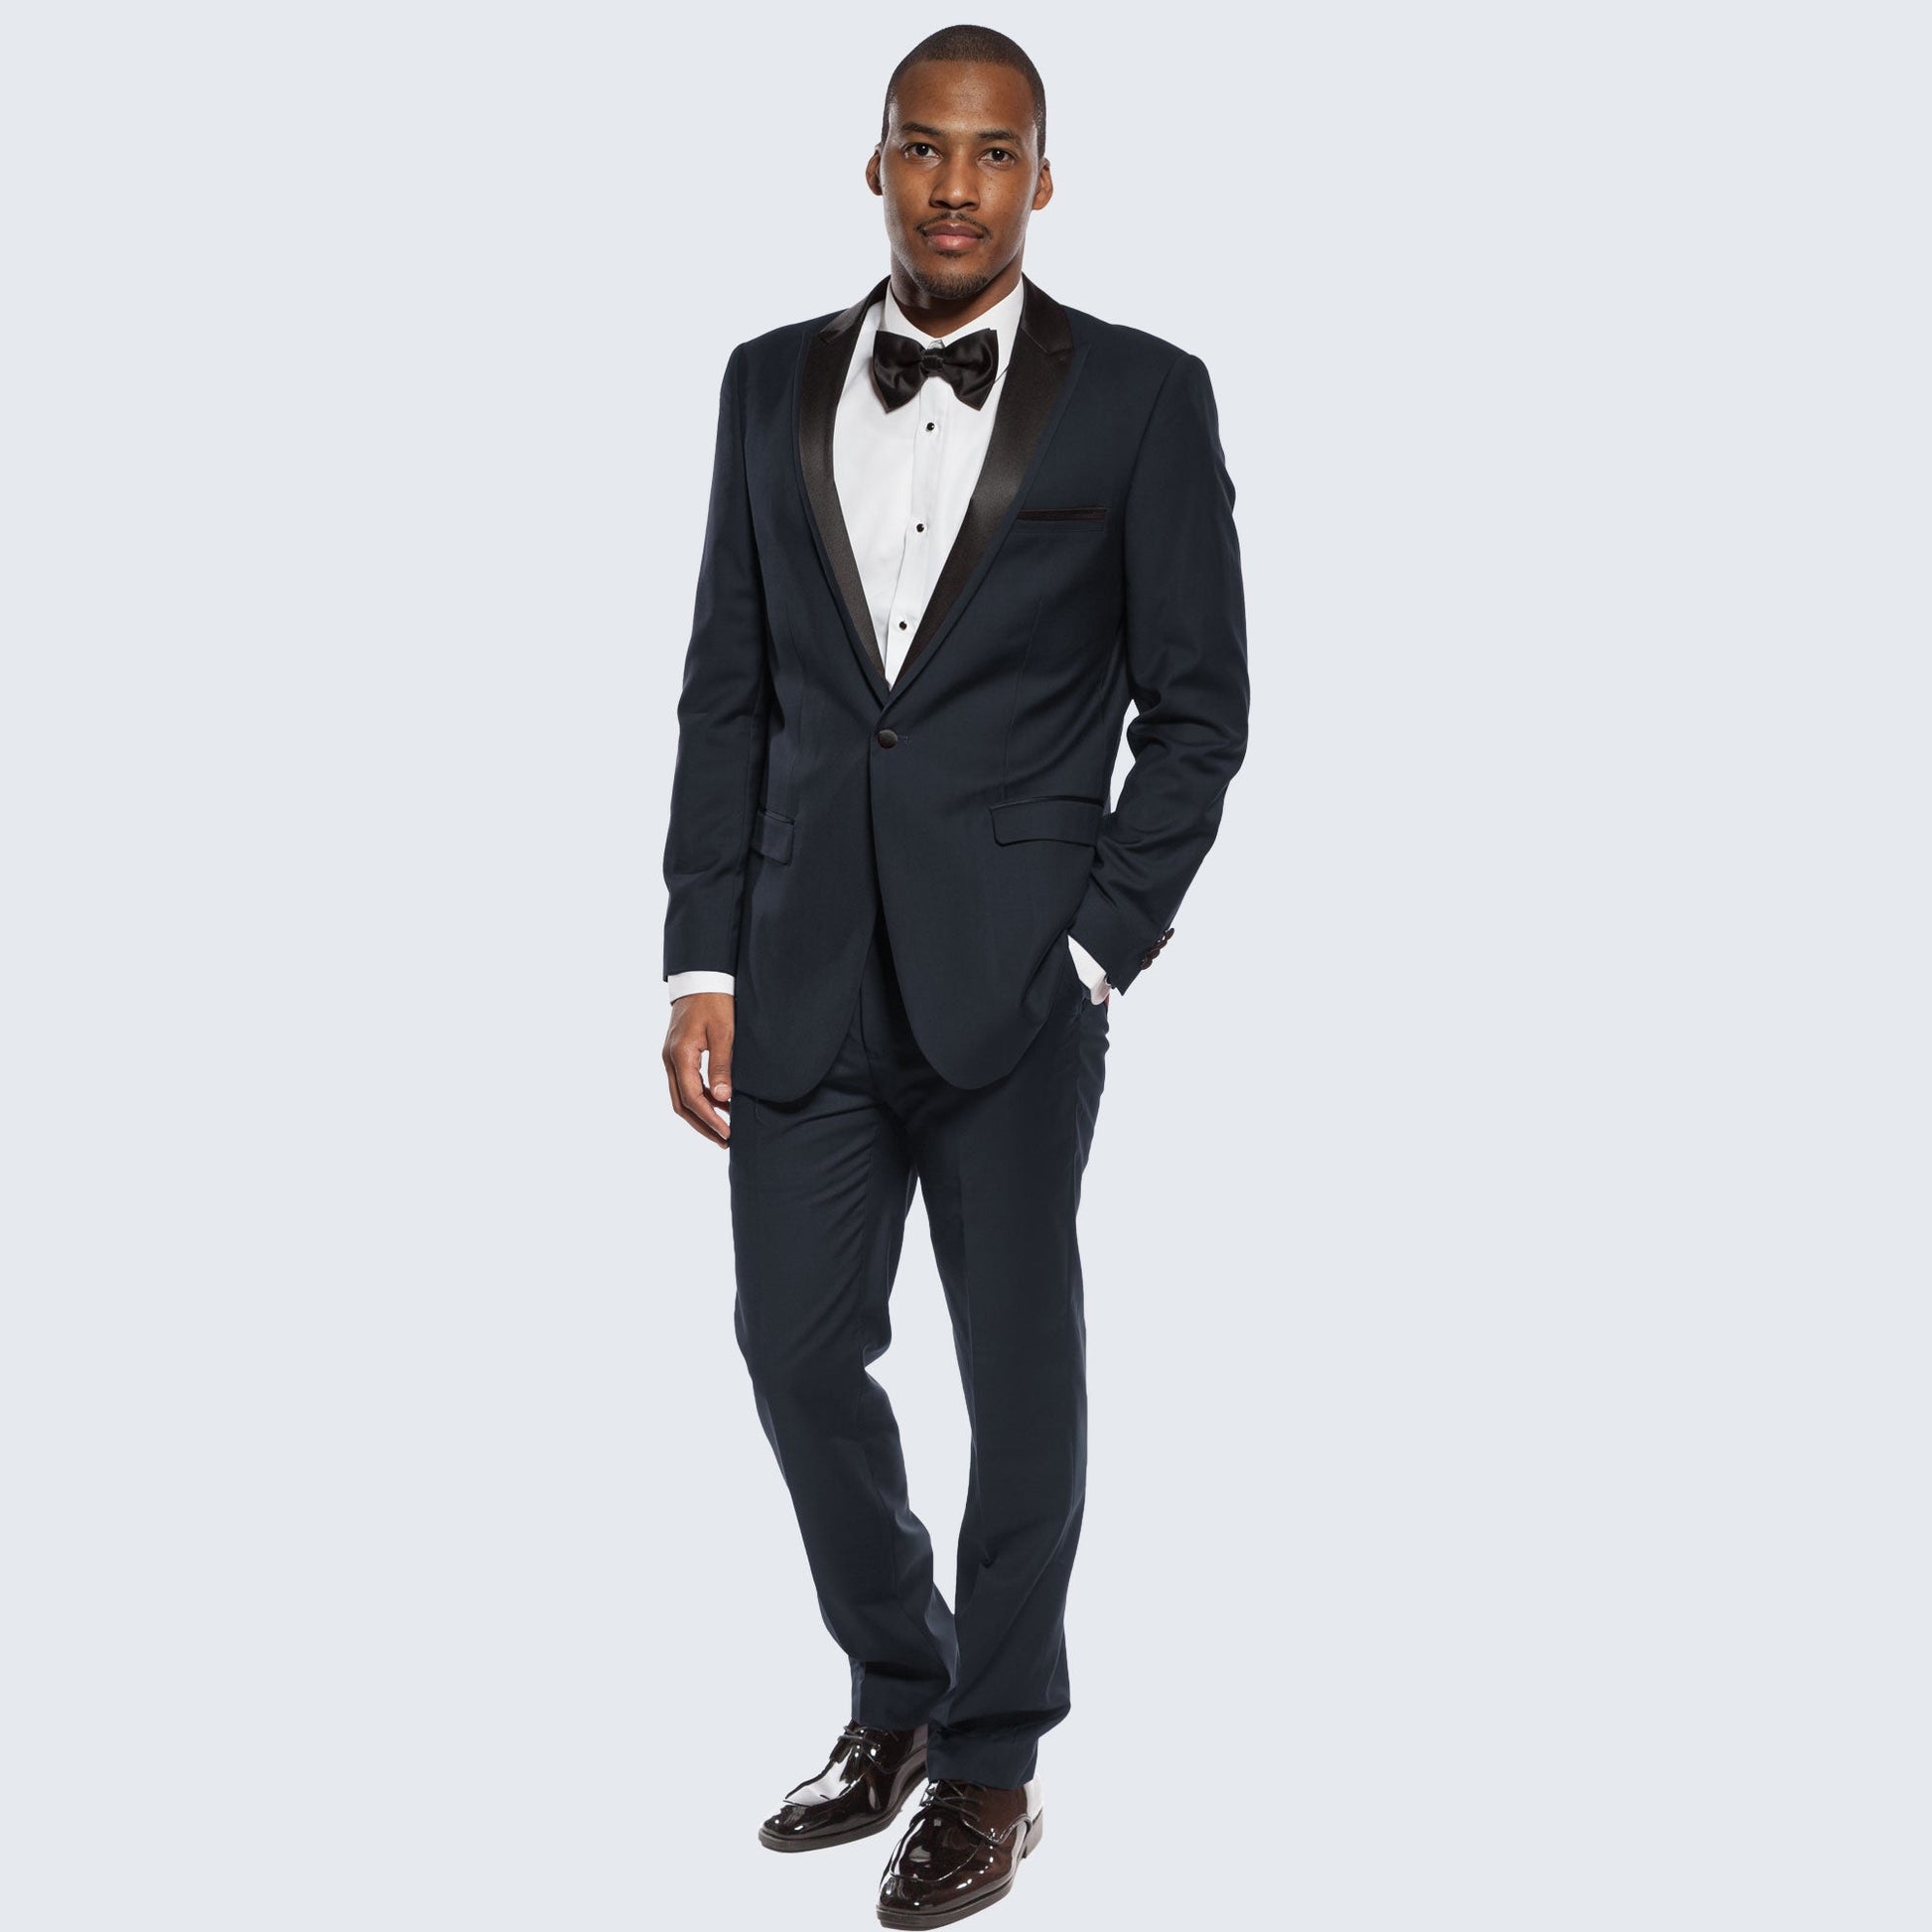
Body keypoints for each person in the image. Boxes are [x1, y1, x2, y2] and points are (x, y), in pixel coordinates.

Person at [659, 24, 1249, 1925]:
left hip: (1017, 984)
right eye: (923, 148)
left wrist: (1098, 942)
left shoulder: (1142, 399)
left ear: (1042, 180)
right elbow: (729, 690)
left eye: (993, 155)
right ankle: (898, 1681)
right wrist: (698, 954)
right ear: (875, 164)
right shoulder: (762, 383)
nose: (954, 186)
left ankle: (993, 1760)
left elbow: (1199, 712)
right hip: (798, 968)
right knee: (790, 1344)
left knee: (1019, 1377)